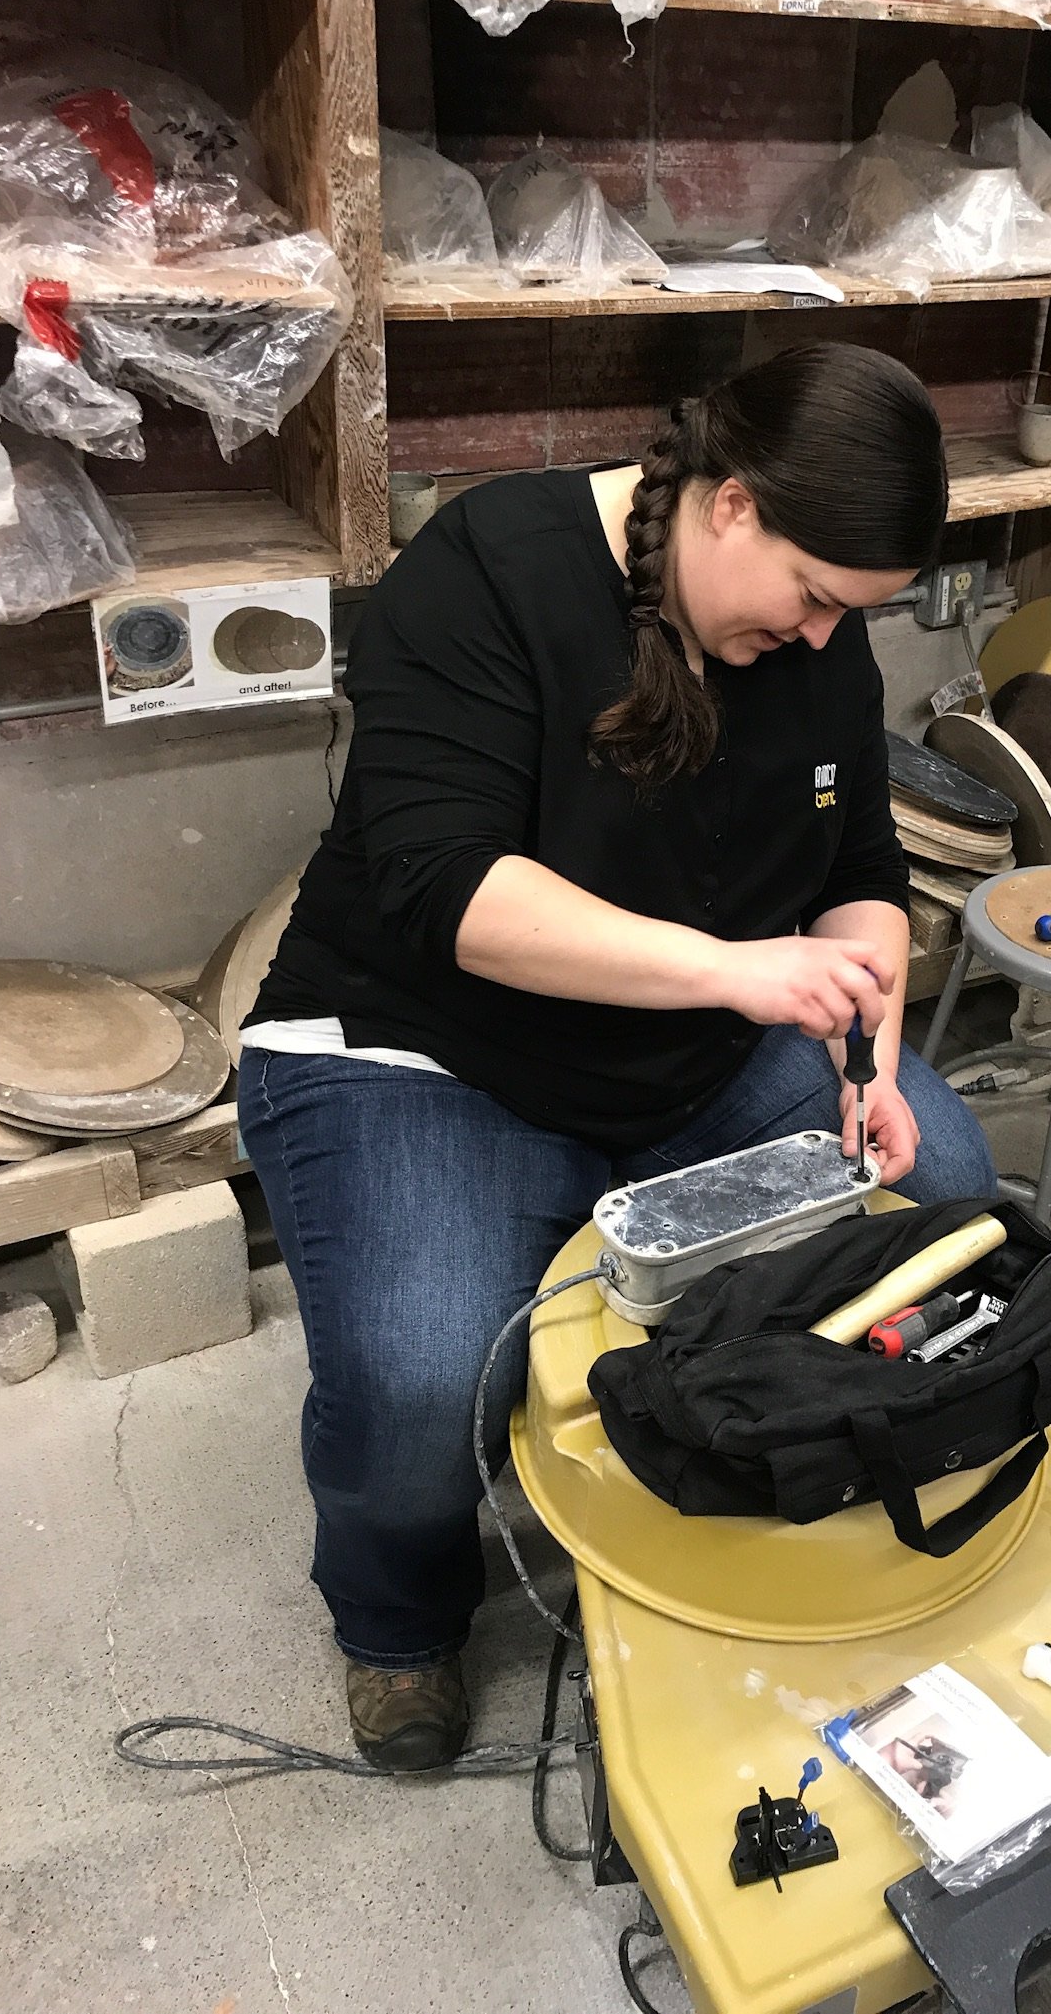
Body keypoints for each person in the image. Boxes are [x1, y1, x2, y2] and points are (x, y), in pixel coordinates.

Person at [237, 341, 997, 1772]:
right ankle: (397, 1619)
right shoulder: (487, 569)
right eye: (815, 597)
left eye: (859, 615)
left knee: (942, 1181)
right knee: (423, 1379)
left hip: (684, 1049)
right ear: (728, 507)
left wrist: (866, 1051)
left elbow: (860, 869)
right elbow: (445, 889)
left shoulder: (810, 641)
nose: (831, 639)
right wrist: (734, 970)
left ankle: (728, 1458)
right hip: (422, 1045)